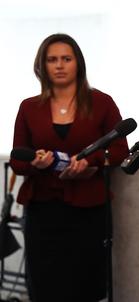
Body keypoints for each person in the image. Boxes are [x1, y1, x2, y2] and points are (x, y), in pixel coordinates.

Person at [10, 33, 129, 302]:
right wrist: (36, 164)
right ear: (41, 66)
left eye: (66, 58)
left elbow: (121, 150)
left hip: (89, 212)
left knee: (85, 285)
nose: (60, 65)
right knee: (44, 285)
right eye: (52, 60)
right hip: (42, 212)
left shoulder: (102, 102)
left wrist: (92, 162)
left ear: (79, 63)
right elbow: (18, 161)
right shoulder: (28, 108)